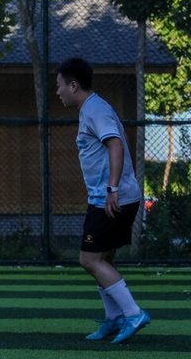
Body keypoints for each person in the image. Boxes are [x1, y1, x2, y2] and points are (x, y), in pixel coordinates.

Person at [56, 57, 150, 343]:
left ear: (74, 86)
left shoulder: (95, 109)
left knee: (89, 259)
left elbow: (115, 145)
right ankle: (114, 318)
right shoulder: (91, 109)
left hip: (110, 199)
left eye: (59, 86)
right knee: (103, 259)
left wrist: (112, 189)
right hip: (109, 197)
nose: (58, 92)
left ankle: (133, 313)